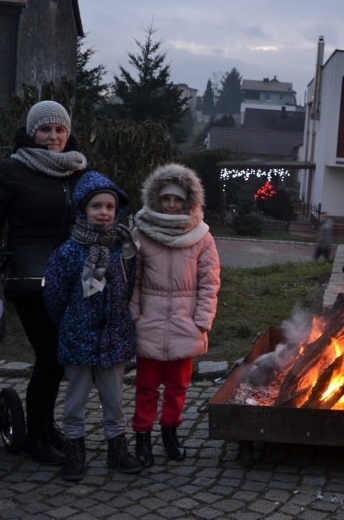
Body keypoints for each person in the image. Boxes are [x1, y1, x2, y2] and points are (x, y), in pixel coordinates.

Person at [0, 100, 88, 465]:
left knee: (59, 358)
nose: (53, 136)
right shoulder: (12, 170)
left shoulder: (77, 169)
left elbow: (99, 209)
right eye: (45, 129)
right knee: (49, 354)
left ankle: (45, 428)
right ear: (32, 133)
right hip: (30, 277)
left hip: (71, 278)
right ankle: (36, 437)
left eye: (60, 129)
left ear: (68, 133)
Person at [42, 171, 141, 481]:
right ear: (83, 209)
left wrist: (121, 320)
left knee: (114, 397)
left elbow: (130, 287)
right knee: (75, 399)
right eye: (96, 206)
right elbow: (55, 294)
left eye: (109, 207)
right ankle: (75, 448)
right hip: (78, 336)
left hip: (114, 337)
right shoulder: (69, 252)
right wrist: (70, 324)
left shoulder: (123, 248)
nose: (103, 212)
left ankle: (117, 447)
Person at [129, 163, 221, 466]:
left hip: (185, 323)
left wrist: (202, 321)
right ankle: (142, 436)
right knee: (145, 386)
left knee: (178, 386)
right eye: (165, 198)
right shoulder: (141, 233)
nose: (171, 205)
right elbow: (133, 281)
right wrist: (135, 316)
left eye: (177, 199)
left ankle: (170, 432)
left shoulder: (202, 237)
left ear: (188, 201)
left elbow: (209, 283)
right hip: (150, 322)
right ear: (156, 199)